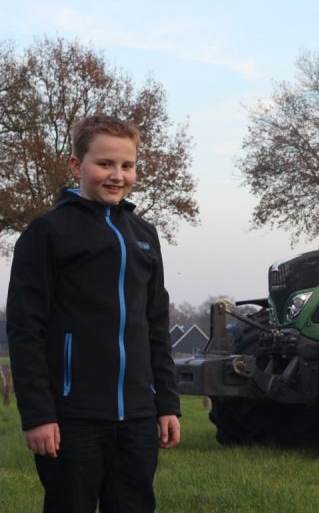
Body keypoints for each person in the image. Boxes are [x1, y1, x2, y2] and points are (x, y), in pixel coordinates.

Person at [6, 115, 181, 512]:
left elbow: (155, 325)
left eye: (127, 165)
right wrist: (38, 415)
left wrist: (167, 403)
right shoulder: (47, 233)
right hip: (72, 418)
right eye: (105, 164)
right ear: (76, 165)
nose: (117, 175)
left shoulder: (145, 236)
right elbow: (25, 328)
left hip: (137, 417)